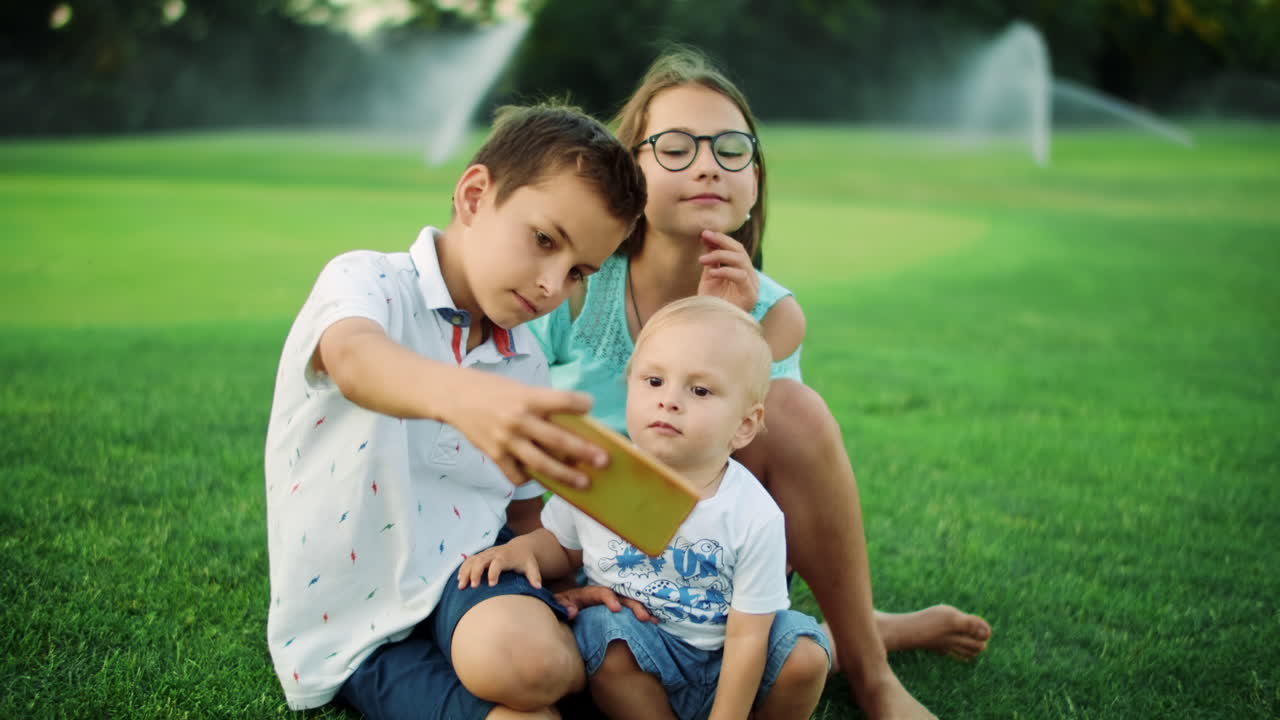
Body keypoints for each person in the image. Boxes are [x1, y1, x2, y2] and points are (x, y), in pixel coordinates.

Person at [527, 48, 991, 719]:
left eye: (732, 148)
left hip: (713, 568)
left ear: (755, 182)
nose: (709, 164)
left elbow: (743, 460)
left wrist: (730, 322)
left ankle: (870, 668)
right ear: (628, 172)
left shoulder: (772, 312)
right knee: (551, 670)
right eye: (677, 147)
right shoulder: (577, 287)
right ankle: (871, 624)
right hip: (595, 550)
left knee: (793, 408)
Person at [262, 103, 647, 719]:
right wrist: (463, 396)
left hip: (470, 571)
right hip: (358, 621)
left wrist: (562, 581)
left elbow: (522, 515)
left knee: (533, 663)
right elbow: (355, 359)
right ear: (473, 196)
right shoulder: (368, 282)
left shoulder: (524, 358)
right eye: (545, 240)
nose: (553, 285)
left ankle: (607, 649)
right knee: (529, 704)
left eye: (578, 271)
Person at [459, 296, 832, 720]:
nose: (669, 400)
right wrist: (521, 551)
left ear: (745, 425)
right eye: (653, 381)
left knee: (804, 655)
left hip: (728, 651)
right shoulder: (606, 474)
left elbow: (749, 635)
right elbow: (562, 546)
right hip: (643, 653)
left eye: (700, 390)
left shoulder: (753, 514)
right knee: (606, 636)